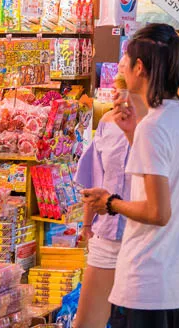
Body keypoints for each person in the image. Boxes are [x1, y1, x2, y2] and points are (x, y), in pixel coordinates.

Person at [82, 23, 179, 328]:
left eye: (127, 62)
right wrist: (131, 134)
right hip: (174, 283)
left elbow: (157, 211)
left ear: (140, 66)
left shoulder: (155, 126)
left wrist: (110, 203)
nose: (123, 71)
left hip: (145, 281)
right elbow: (163, 171)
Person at [76, 78, 140, 328]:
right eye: (115, 90)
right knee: (86, 322)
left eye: (122, 89)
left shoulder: (155, 126)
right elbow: (94, 179)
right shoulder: (106, 123)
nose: (116, 96)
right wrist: (86, 225)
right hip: (107, 233)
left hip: (142, 237)